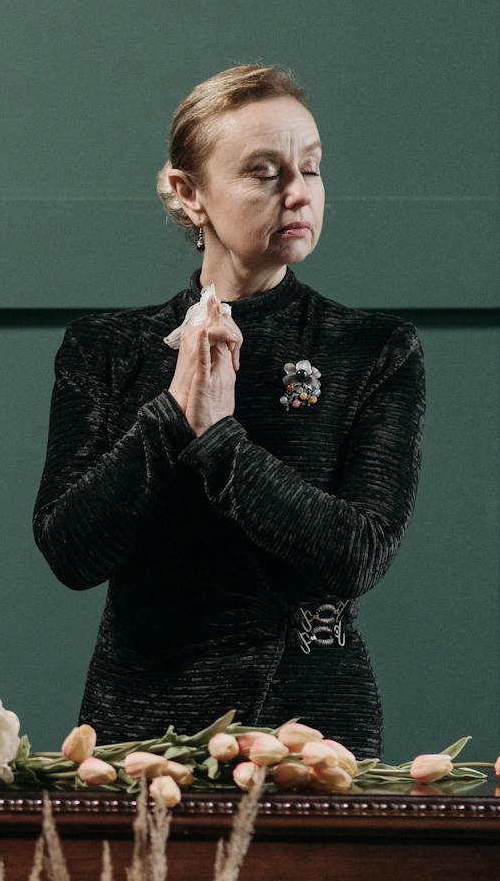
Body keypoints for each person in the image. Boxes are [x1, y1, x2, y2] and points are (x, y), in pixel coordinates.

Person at [31, 64, 424, 759]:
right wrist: (170, 415)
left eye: (312, 168)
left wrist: (218, 440)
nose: (299, 193)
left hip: (314, 735)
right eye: (265, 172)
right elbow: (71, 550)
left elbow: (356, 555)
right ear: (189, 194)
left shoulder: (374, 350)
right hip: (142, 733)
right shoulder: (106, 349)